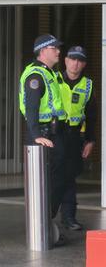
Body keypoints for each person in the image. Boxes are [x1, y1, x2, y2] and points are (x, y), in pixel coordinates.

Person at [19, 34, 69, 241]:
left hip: (53, 132)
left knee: (61, 175)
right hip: (43, 135)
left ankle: (46, 219)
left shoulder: (49, 73)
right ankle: (43, 221)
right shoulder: (35, 75)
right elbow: (31, 107)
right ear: (42, 51)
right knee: (48, 180)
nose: (58, 51)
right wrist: (37, 135)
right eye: (54, 48)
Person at [59, 45, 96, 231]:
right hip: (55, 135)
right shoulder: (54, 80)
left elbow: (91, 115)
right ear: (65, 60)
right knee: (53, 178)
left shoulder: (87, 85)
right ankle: (46, 216)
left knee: (70, 178)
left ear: (84, 64)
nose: (75, 63)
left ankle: (69, 217)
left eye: (80, 60)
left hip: (74, 137)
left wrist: (90, 140)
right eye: (72, 59)